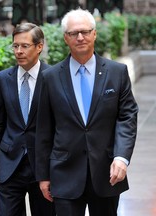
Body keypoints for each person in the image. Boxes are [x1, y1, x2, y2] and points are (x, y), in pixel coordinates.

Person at [35, 8, 138, 216]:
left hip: (106, 172)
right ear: (65, 38)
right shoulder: (50, 78)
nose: (80, 37)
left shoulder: (116, 72)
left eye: (85, 31)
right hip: (64, 174)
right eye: (73, 33)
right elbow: (44, 129)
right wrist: (43, 176)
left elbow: (127, 116)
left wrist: (121, 157)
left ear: (95, 33)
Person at [0, 23, 55, 216]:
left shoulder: (53, 77)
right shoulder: (2, 79)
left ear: (39, 46)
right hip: (10, 164)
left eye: (25, 46)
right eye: (15, 46)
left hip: (42, 166)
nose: (19, 51)